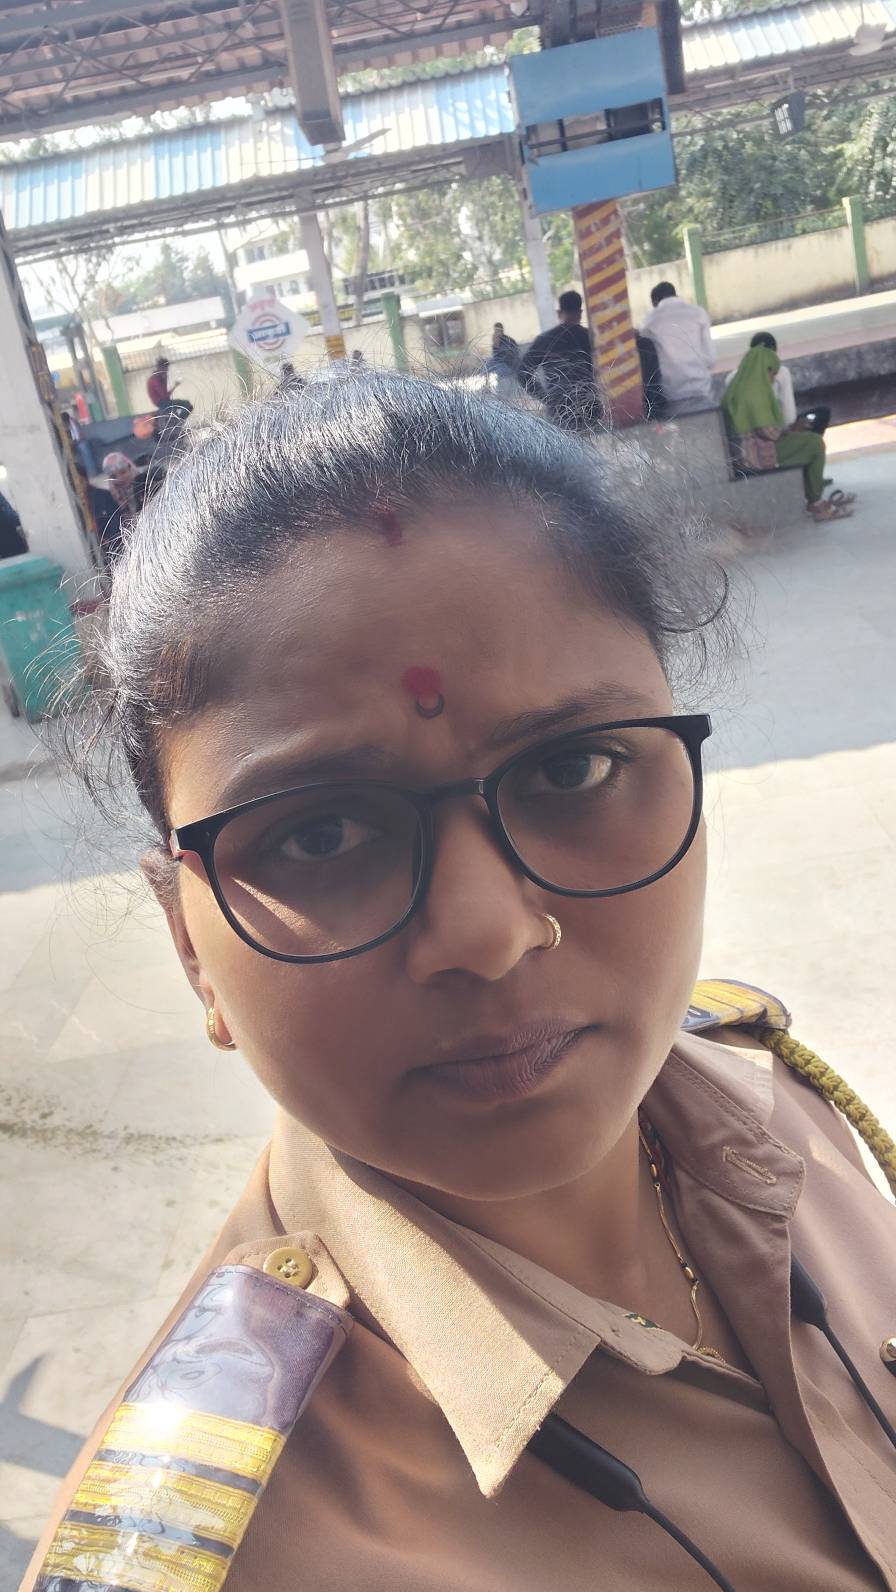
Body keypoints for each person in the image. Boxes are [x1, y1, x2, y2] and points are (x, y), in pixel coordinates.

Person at [24, 375, 895, 1592]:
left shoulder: (772, 1099)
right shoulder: (228, 1558)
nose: (487, 934)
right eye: (321, 833)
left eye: (572, 768)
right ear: (187, 942)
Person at [721, 346, 853, 522]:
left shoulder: (737, 387)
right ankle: (816, 502)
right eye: (772, 374)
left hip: (741, 455)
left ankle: (812, 494)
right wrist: (793, 429)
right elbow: (769, 433)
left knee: (802, 442)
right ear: (765, 369)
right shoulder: (754, 392)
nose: (772, 379)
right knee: (814, 443)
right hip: (755, 457)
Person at [518, 290, 600, 430]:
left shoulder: (545, 340)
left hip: (559, 410)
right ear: (580, 313)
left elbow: (522, 372)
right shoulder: (589, 337)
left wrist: (546, 398)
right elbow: (600, 369)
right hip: (589, 407)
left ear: (559, 313)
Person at [639, 282, 715, 413]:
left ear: (655, 301)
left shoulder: (649, 321)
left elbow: (648, 360)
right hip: (702, 387)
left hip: (671, 391)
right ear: (675, 294)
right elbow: (711, 358)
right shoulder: (698, 313)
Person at [741, 332, 831, 434]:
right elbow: (789, 417)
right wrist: (794, 427)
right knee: (822, 413)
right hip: (774, 435)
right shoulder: (780, 372)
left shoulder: (732, 377)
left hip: (747, 434)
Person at [486, 321, 520, 397]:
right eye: (495, 331)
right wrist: (495, 344)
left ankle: (500, 391)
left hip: (509, 364)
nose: (497, 333)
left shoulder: (508, 341)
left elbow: (509, 356)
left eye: (498, 330)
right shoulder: (497, 340)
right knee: (486, 366)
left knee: (497, 369)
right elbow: (496, 356)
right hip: (501, 363)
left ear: (502, 330)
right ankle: (487, 387)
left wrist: (497, 344)